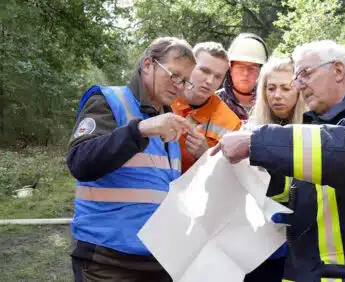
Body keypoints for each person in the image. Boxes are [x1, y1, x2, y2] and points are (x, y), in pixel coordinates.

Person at [212, 40, 345, 282]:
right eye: (296, 77)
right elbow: (296, 191)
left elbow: (342, 155)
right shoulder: (319, 125)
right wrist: (254, 175)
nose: (298, 84)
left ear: (338, 71)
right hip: (309, 270)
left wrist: (255, 142)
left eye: (305, 73)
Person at [67, 37, 196, 282]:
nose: (179, 86)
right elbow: (79, 162)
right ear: (148, 64)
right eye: (175, 75)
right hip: (107, 262)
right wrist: (139, 131)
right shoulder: (109, 100)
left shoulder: (169, 122)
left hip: (159, 262)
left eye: (185, 81)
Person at [243, 58, 308, 282]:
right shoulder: (248, 131)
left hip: (301, 245)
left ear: (299, 91)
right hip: (258, 246)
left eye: (285, 88)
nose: (277, 95)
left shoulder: (315, 132)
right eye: (271, 88)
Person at [171, 42, 241, 173]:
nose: (210, 81)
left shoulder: (232, 124)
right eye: (204, 71)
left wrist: (205, 156)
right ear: (188, 66)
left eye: (218, 76)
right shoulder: (164, 95)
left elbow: (231, 177)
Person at [217, 33, 269, 120]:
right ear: (230, 69)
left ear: (261, 71)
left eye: (252, 68)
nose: (246, 73)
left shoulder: (271, 103)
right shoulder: (213, 102)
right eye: (240, 67)